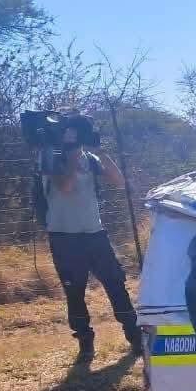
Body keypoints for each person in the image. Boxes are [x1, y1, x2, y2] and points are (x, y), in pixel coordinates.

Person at [42, 121, 141, 363]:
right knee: (75, 292)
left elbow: (119, 181)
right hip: (65, 237)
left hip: (95, 233)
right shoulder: (49, 156)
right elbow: (64, 187)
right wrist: (72, 156)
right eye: (71, 136)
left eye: (78, 136)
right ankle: (85, 343)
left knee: (115, 284)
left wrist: (100, 151)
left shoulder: (91, 158)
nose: (76, 141)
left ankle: (135, 337)